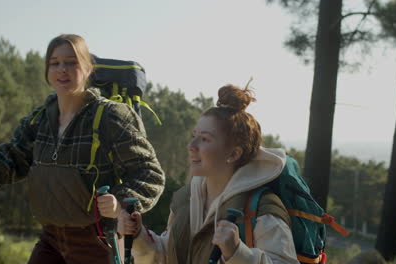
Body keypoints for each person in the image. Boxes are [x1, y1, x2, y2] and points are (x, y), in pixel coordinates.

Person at [0, 34, 165, 264]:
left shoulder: (110, 118)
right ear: (47, 71)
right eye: (55, 63)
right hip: (50, 240)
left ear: (88, 69)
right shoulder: (38, 121)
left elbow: (150, 174)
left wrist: (120, 203)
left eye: (71, 62)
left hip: (97, 244)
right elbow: (4, 166)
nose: (62, 69)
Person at [118, 84, 299, 263]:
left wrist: (237, 252)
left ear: (234, 153)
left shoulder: (261, 208)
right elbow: (168, 256)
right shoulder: (187, 199)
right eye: (193, 135)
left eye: (204, 139)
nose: (191, 146)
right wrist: (139, 236)